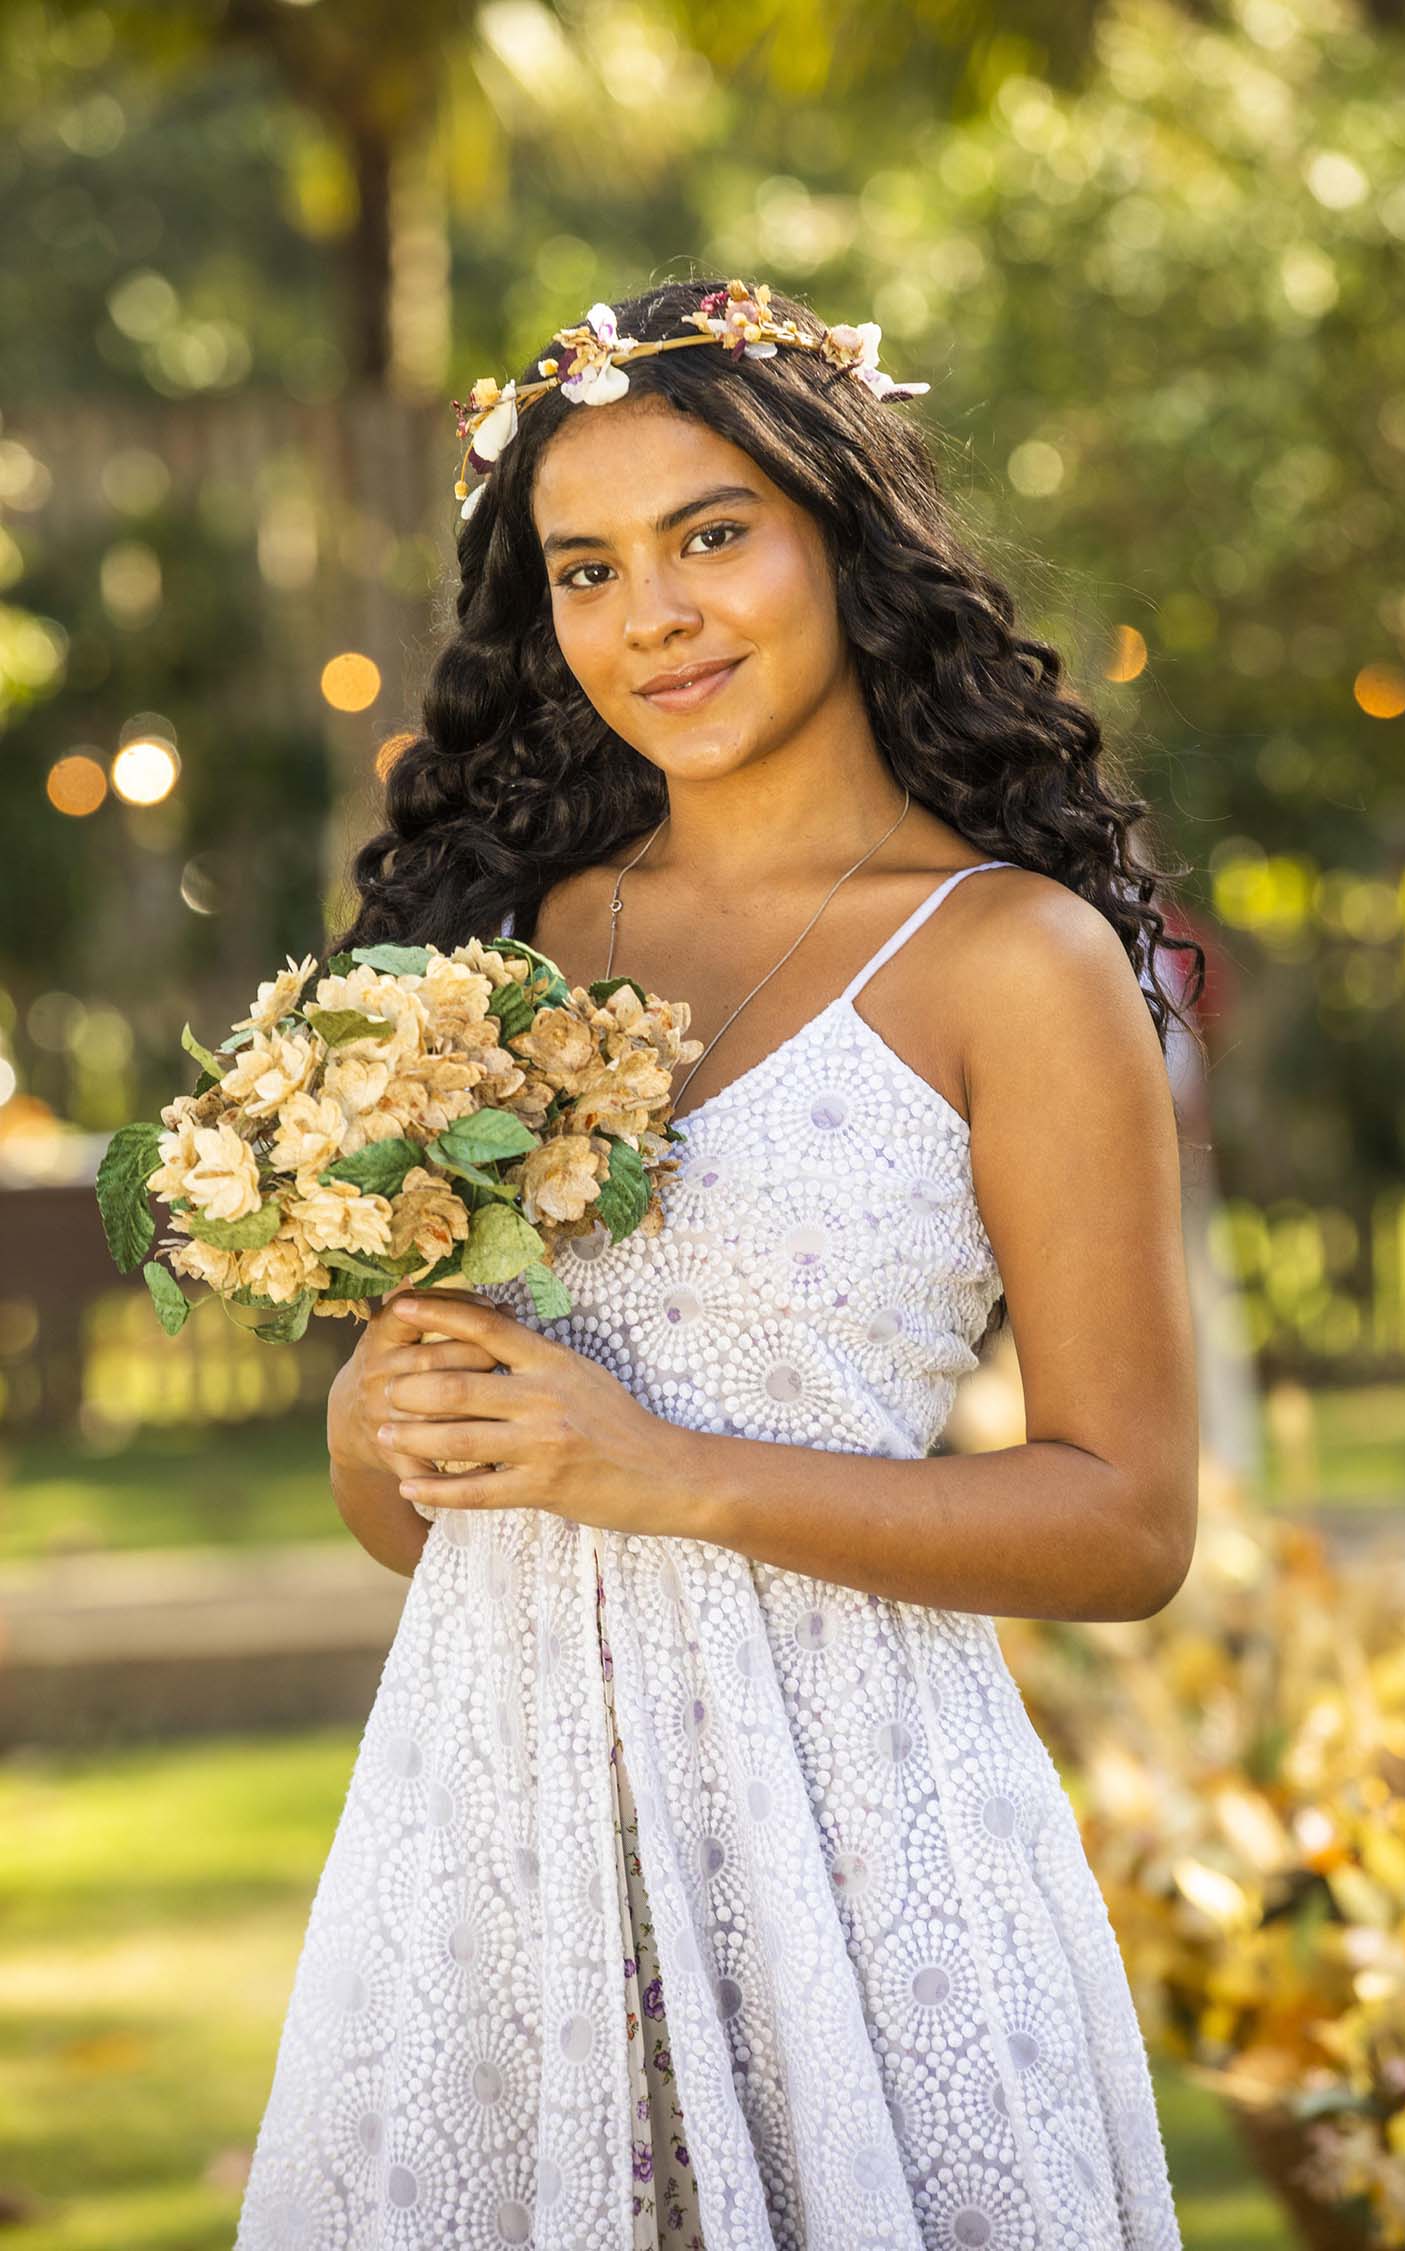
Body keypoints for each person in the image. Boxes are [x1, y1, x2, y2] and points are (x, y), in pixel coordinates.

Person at [236, 277, 1203, 2249]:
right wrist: (381, 1411)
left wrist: (676, 1475)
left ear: (845, 539)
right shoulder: (486, 951)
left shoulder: (1013, 963)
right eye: (586, 569)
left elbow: (1129, 1524)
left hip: (862, 1862)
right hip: (503, 1855)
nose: (653, 617)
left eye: (711, 535)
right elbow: (425, 1522)